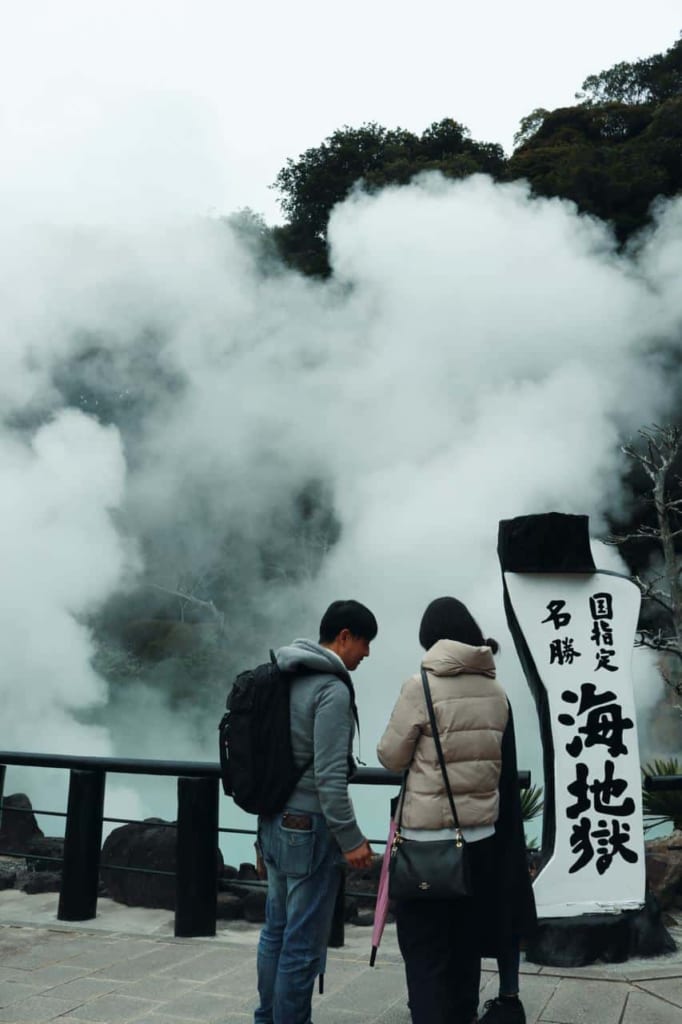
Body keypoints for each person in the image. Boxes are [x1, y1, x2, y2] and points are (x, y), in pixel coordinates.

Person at [377, 596, 536, 1024]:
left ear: (430, 640)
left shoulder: (421, 686)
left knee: (425, 954)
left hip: (427, 848)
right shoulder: (497, 691)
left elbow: (391, 757)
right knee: (465, 949)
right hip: (480, 845)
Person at [254, 599, 377, 1024]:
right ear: (344, 636)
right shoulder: (331, 689)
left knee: (275, 932)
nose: (367, 654)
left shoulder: (284, 676)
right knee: (302, 944)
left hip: (272, 819)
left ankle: (266, 1018)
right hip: (307, 828)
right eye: (365, 643)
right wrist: (352, 840)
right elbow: (329, 778)